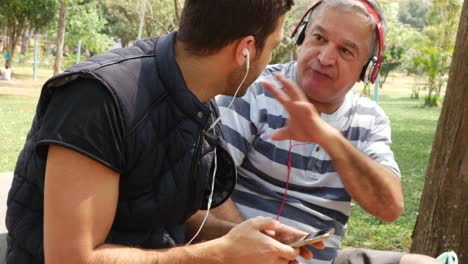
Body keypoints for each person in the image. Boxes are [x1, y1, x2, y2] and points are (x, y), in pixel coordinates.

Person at [5, 0, 324, 263]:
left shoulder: (199, 100)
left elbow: (164, 212)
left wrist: (246, 239)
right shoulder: (97, 100)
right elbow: (71, 259)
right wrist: (222, 254)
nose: (271, 60)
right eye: (274, 48)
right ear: (246, 50)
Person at [214, 0, 440, 263]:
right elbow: (207, 191)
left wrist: (328, 137)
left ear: (366, 70)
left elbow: (390, 208)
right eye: (319, 38)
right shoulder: (254, 90)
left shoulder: (371, 120)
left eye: (345, 51)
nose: (324, 58)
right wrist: (257, 249)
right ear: (302, 37)